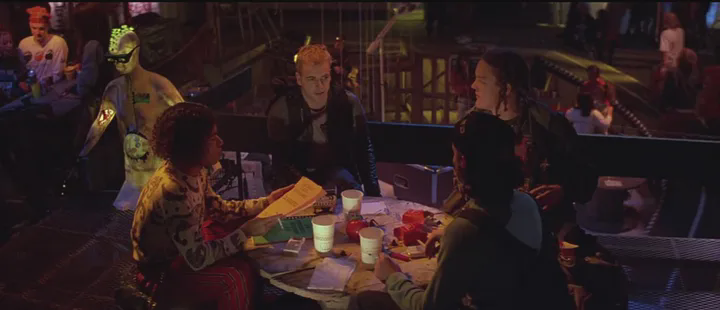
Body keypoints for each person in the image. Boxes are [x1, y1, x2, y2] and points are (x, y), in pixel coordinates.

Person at [353, 111, 574, 310]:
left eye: (454, 154)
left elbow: (429, 308)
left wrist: (393, 277)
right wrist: (449, 235)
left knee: (362, 302)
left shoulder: (465, 233)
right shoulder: (527, 203)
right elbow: (499, 251)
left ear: (463, 161)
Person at [131, 102, 295, 309]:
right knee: (233, 277)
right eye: (213, 138)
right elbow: (197, 258)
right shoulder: (173, 190)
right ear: (193, 144)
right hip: (161, 274)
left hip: (183, 252)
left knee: (239, 238)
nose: (221, 142)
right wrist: (245, 232)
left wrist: (267, 201)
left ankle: (251, 299)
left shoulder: (195, 171)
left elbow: (219, 209)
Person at [442, 49, 598, 238]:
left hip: (542, 232)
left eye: (482, 81)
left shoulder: (549, 127)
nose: (473, 85)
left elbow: (587, 176)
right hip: (485, 228)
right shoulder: (471, 125)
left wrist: (563, 190)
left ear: (506, 89)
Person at [77, 25, 184, 210]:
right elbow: (100, 124)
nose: (119, 64)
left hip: (162, 171)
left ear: (136, 51)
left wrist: (211, 161)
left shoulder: (158, 85)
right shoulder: (113, 90)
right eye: (114, 58)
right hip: (134, 177)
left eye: (124, 57)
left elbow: (187, 114)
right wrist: (82, 153)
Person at [267, 44, 380, 196]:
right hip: (298, 180)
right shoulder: (283, 110)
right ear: (299, 79)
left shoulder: (348, 103)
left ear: (330, 76)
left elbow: (364, 150)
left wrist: (374, 195)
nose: (319, 86)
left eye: (324, 78)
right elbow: (281, 164)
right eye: (311, 79)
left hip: (340, 177)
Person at [18, 6, 68, 85]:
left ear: (48, 27)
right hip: (31, 88)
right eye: (34, 28)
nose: (37, 33)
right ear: (29, 26)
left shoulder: (58, 43)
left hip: (52, 88)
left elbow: (58, 73)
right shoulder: (23, 44)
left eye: (41, 29)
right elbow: (21, 71)